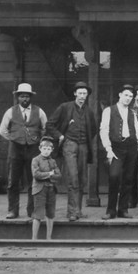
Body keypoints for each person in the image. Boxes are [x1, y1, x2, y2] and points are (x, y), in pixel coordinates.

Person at [46, 81, 98, 222]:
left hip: (83, 147)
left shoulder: (89, 111)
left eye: (84, 94)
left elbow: (93, 129)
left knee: (81, 179)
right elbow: (50, 125)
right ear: (75, 93)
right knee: (73, 178)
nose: (82, 96)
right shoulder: (65, 107)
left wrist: (86, 140)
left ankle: (78, 210)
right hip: (69, 145)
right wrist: (61, 136)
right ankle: (71, 212)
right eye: (80, 93)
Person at [0, 83, 47, 219]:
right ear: (18, 97)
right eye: (22, 96)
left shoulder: (39, 111)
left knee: (34, 180)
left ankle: (32, 210)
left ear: (31, 97)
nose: (24, 99)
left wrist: (38, 141)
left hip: (33, 149)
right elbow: (2, 130)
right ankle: (13, 210)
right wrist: (14, 138)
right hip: (16, 149)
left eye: (27, 96)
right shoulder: (10, 111)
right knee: (13, 181)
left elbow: (45, 128)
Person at [99, 84, 138, 220]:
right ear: (120, 95)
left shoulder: (132, 113)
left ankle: (123, 210)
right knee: (114, 176)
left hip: (131, 147)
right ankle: (111, 210)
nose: (128, 98)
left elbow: (136, 131)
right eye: (126, 95)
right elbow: (104, 130)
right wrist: (108, 149)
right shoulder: (109, 110)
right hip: (116, 148)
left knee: (129, 179)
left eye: (131, 96)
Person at [31, 136, 61, 240]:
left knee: (50, 213)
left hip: (51, 189)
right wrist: (49, 174)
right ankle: (34, 239)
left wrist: (51, 176)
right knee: (38, 214)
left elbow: (58, 175)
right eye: (44, 149)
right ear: (40, 148)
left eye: (49, 149)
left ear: (52, 150)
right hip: (39, 190)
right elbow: (36, 174)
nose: (46, 151)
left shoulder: (53, 161)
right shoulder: (35, 160)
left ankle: (49, 238)